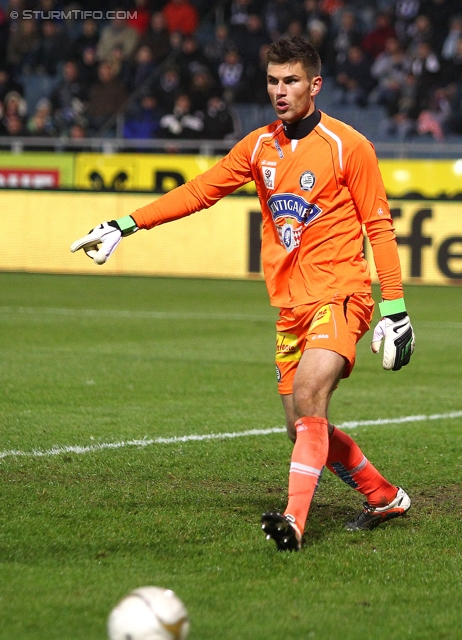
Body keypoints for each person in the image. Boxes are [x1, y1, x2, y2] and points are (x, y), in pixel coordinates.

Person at [70, 36, 415, 552]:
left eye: (291, 80)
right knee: (301, 424)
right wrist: (126, 224)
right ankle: (383, 495)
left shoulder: (351, 147)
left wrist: (396, 308)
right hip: (290, 305)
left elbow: (380, 228)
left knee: (308, 397)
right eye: (273, 81)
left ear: (314, 85)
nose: (280, 91)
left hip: (341, 293)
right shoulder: (259, 146)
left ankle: (294, 522)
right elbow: (200, 190)